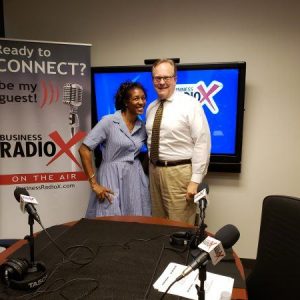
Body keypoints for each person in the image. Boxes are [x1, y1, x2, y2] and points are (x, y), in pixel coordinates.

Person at [146, 59, 211, 225]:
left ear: (175, 79)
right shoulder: (151, 108)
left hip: (179, 174)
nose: (161, 82)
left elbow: (202, 143)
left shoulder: (190, 104)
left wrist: (195, 181)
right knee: (157, 225)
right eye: (157, 78)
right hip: (154, 172)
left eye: (166, 78)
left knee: (180, 227)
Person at [79, 81, 151, 217]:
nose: (141, 102)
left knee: (137, 223)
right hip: (111, 177)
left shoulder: (143, 126)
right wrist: (94, 184)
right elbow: (84, 149)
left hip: (135, 179)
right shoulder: (109, 122)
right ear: (125, 102)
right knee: (110, 222)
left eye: (143, 98)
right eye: (136, 98)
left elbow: (152, 150)